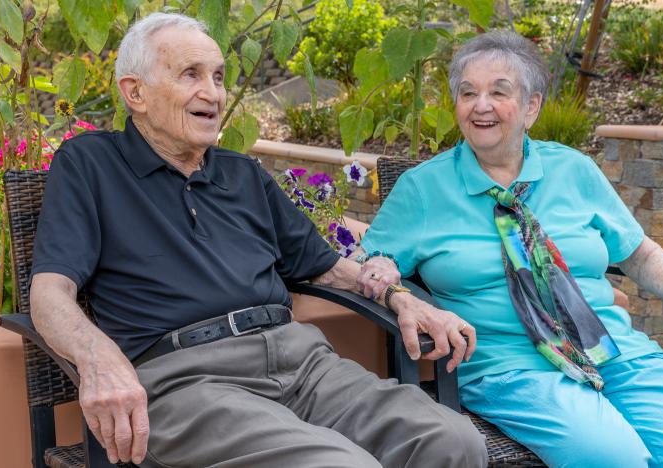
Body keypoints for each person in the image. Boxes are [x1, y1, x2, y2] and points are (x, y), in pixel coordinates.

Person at [29, 12, 487, 468]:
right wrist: (97, 359)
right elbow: (50, 291)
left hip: (302, 363)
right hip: (188, 384)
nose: (213, 93)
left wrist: (399, 297)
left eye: (219, 77)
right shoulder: (91, 164)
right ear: (136, 93)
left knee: (453, 441)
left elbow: (324, 266)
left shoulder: (242, 174)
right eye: (191, 75)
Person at [357, 30, 663, 468]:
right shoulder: (423, 188)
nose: (481, 105)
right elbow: (368, 262)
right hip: (509, 366)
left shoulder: (573, 169)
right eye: (467, 92)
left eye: (499, 92)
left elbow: (637, 251)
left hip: (611, 349)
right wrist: (383, 274)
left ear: (532, 107)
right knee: (615, 457)